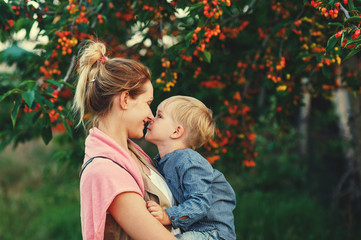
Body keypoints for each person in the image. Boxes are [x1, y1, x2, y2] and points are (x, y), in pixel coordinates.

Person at [73, 40, 179, 240]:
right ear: (124, 99)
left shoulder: (133, 157)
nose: (150, 115)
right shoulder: (106, 172)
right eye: (148, 103)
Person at [145, 96, 237, 240]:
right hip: (194, 230)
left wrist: (167, 215)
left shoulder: (189, 161)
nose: (151, 118)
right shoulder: (162, 161)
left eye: (159, 116)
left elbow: (200, 202)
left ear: (176, 132)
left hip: (211, 232)